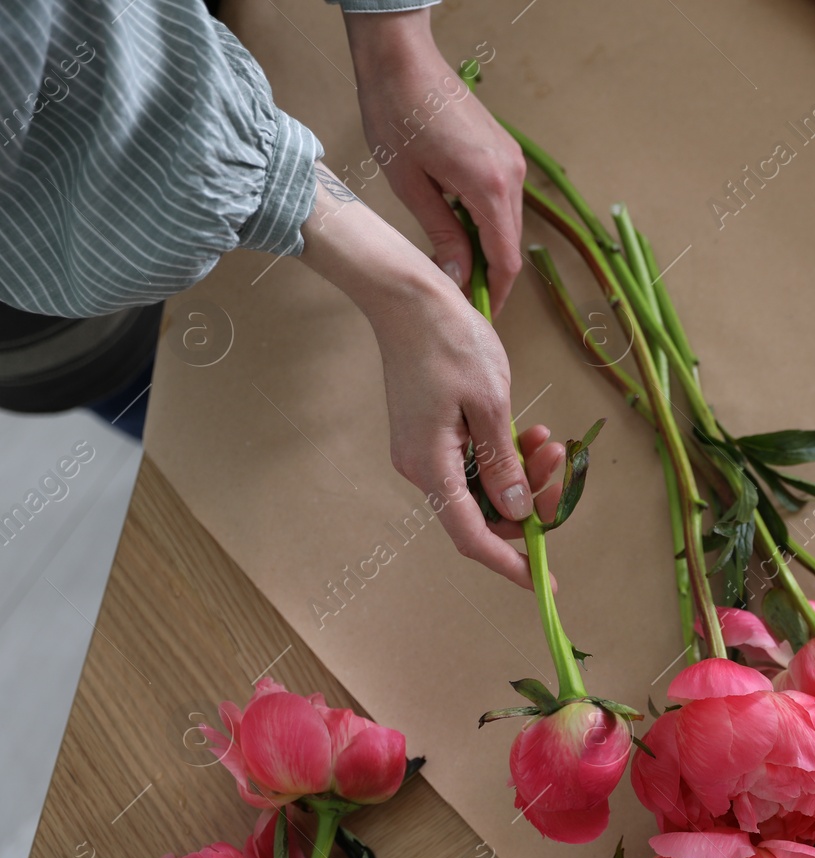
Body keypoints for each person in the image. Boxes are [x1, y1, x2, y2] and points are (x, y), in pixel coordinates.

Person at [0, 0, 556, 588]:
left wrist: (393, 40)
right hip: (43, 240)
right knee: (155, 400)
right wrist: (409, 293)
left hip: (185, 62)